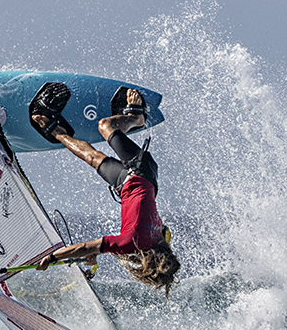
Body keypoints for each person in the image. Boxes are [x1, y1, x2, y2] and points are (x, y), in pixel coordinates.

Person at [30, 87, 181, 297]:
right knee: (105, 125)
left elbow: (127, 240)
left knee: (91, 157)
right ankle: (136, 117)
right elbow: (85, 247)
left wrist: (96, 253)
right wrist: (53, 257)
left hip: (127, 184)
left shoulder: (160, 238)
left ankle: (57, 131)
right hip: (141, 171)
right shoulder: (133, 243)